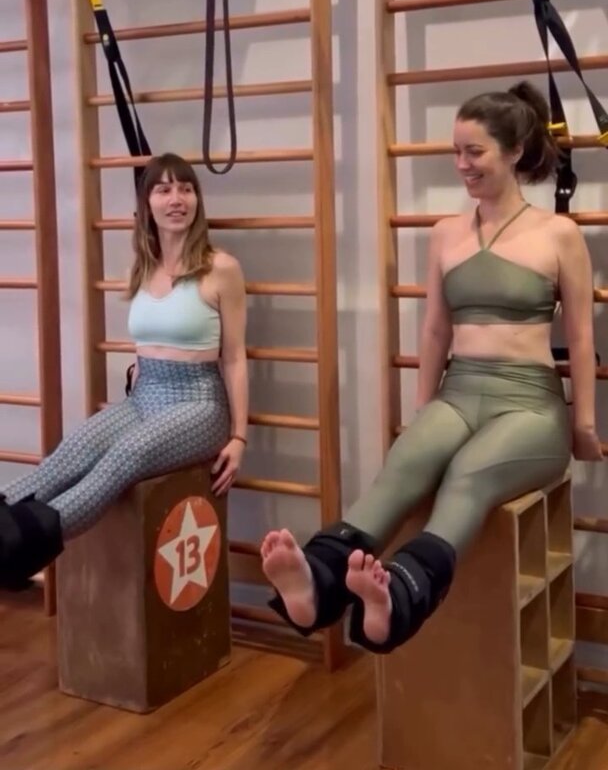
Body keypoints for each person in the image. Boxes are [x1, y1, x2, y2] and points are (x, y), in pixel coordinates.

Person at [260, 81, 603, 655]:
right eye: (456, 152)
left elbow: (582, 335)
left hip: (529, 407)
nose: (461, 164)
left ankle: (399, 596)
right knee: (404, 465)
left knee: (469, 474)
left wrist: (584, 424)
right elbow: (436, 330)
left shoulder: (558, 233)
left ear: (515, 151)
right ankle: (317, 584)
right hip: (458, 392)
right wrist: (425, 413)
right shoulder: (446, 234)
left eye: (474, 151)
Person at [0, 152, 248, 590]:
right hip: (144, 396)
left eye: (186, 188)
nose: (177, 199)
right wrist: (143, 368)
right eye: (164, 189)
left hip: (200, 404)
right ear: (147, 203)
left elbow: (234, 357)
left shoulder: (221, 268)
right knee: (72, 451)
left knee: (125, 457)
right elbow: (153, 337)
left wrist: (239, 436)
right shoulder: (144, 265)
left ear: (197, 200)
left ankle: (16, 548)